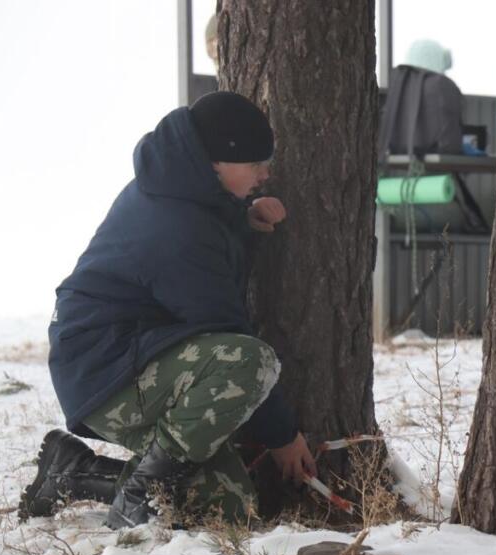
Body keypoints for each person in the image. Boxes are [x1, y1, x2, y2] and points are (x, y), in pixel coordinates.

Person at [19, 91, 317, 528]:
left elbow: (206, 235)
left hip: (133, 354)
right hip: (105, 367)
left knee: (230, 507)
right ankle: (142, 494)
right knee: (250, 362)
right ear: (217, 161)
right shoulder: (176, 227)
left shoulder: (179, 181)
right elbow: (227, 326)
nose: (265, 174)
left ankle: (74, 473)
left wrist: (243, 222)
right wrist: (282, 437)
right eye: (255, 164)